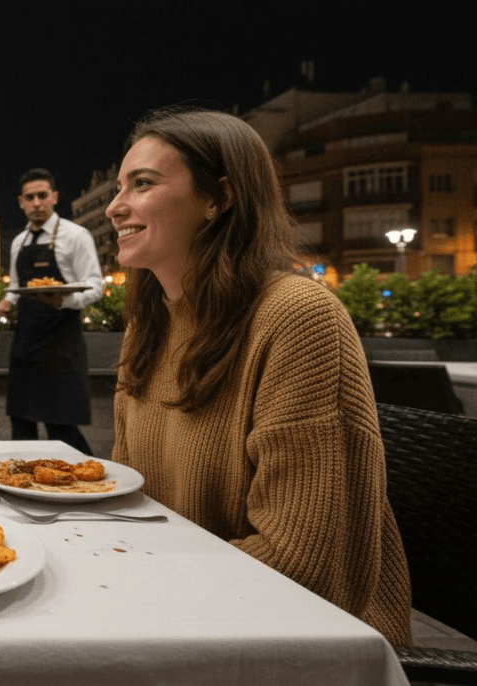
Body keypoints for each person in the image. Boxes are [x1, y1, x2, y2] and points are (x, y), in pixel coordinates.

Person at [105, 108, 412, 645]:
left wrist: (131, 575)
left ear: (217, 199)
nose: (114, 207)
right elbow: (129, 498)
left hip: (303, 644)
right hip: (181, 608)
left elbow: (303, 563)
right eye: (118, 186)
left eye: (143, 184)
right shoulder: (148, 327)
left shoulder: (298, 319)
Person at [0, 169, 103, 454]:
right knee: (21, 426)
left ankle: (89, 482)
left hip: (61, 347)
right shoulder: (19, 242)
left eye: (42, 196)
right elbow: (17, 286)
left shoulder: (76, 236)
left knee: (62, 428)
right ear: (21, 202)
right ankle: (21, 488)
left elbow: (95, 286)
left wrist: (61, 301)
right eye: (30, 197)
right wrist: (8, 302)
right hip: (25, 346)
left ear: (54, 197)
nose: (37, 203)